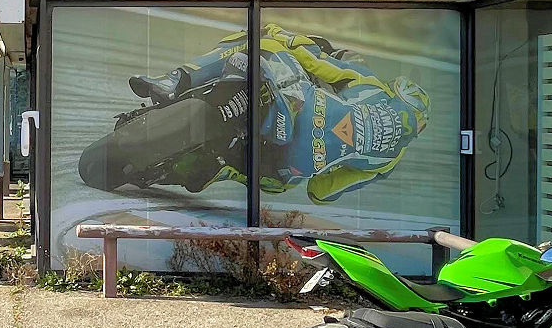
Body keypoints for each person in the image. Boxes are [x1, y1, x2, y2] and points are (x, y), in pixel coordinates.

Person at [127, 22, 429, 200]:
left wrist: (281, 36)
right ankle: (220, 169)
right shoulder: (387, 162)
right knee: (278, 181)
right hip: (283, 169)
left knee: (260, 39)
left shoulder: (372, 86)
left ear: (396, 92)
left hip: (293, 105)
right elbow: (319, 192)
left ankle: (176, 79)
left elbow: (312, 63)